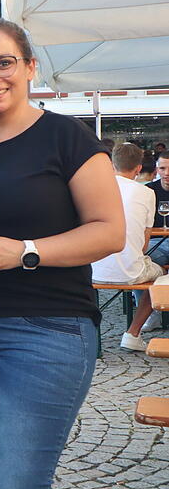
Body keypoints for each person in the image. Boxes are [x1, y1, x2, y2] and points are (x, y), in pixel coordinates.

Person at [0, 17, 124, 489]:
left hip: (48, 329)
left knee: (17, 486)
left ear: (30, 67)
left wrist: (25, 253)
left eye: (4, 63)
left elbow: (110, 232)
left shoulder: (67, 137)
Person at [92, 143, 166, 350]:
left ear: (112, 164)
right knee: (162, 275)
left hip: (90, 270)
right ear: (139, 168)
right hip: (129, 271)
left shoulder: (94, 189)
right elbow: (143, 246)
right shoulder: (146, 193)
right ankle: (133, 333)